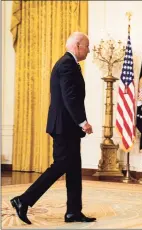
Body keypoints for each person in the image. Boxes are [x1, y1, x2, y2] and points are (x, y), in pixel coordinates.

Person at [10, 32, 96, 224]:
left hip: (68, 127)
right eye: (87, 46)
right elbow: (69, 97)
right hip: (63, 127)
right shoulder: (66, 64)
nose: (89, 50)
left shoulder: (71, 64)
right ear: (78, 45)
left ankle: (73, 212)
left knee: (73, 169)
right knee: (60, 166)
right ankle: (23, 200)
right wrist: (83, 122)